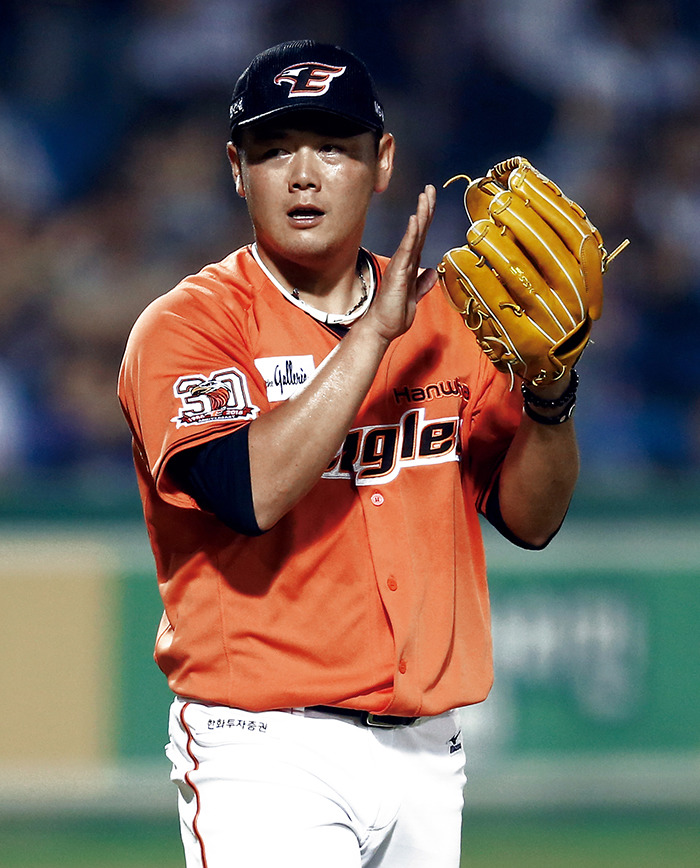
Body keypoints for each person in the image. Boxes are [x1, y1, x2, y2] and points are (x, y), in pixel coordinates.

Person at [118, 39, 580, 868]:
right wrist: (372, 337)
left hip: (429, 753)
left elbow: (531, 520)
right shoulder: (190, 326)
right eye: (274, 150)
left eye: (333, 147)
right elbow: (248, 492)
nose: (304, 174)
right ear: (237, 169)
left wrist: (551, 395)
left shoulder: (453, 318)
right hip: (263, 750)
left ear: (382, 163)